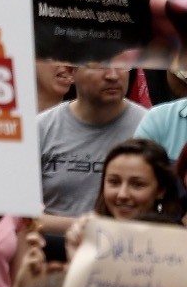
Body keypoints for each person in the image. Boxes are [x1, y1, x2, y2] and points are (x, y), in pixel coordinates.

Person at [38, 63, 143, 216]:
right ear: (71, 71)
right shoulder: (41, 129)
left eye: (121, 64)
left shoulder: (150, 128)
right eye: (100, 65)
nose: (113, 75)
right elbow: (19, 218)